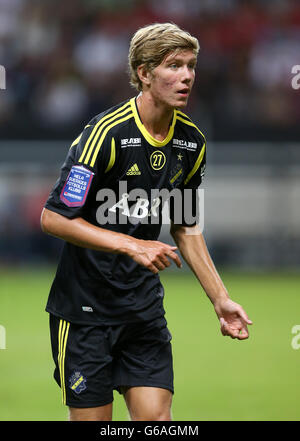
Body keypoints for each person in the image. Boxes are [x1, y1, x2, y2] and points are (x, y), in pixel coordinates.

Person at [40, 22, 252, 422]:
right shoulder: (105, 134)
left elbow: (186, 227)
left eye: (191, 65)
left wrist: (220, 299)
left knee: (156, 422)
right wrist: (131, 244)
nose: (186, 75)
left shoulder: (191, 142)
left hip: (142, 310)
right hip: (86, 311)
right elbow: (53, 218)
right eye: (174, 66)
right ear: (144, 73)